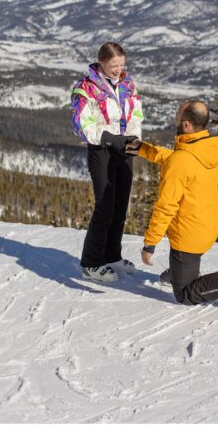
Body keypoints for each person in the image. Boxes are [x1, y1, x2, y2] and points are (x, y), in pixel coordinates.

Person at [129, 100, 218, 311]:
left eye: (178, 115)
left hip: (190, 236)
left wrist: (149, 244)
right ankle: (178, 271)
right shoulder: (205, 147)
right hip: (208, 224)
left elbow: (166, 206)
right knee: (183, 266)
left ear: (187, 124)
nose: (175, 118)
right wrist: (143, 149)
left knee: (184, 295)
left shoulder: (182, 159)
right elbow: (175, 159)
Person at [70, 41, 144, 282]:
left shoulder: (128, 84)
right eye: (114, 65)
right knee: (105, 206)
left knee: (121, 206)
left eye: (122, 64)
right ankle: (91, 263)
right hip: (101, 149)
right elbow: (80, 124)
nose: (118, 69)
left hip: (123, 149)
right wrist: (109, 138)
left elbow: (136, 114)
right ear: (101, 63)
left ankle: (112, 255)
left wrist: (134, 139)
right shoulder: (86, 87)